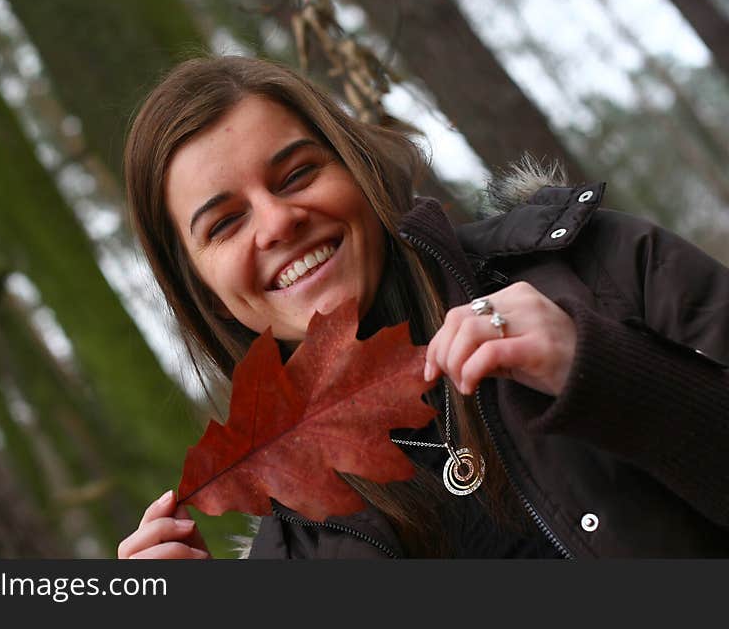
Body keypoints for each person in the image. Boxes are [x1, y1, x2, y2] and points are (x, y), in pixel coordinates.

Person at [116, 55, 729, 559]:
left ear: (357, 170)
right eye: (225, 222)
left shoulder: (602, 271)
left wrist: (604, 372)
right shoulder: (293, 554)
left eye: (297, 174)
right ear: (207, 296)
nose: (278, 221)